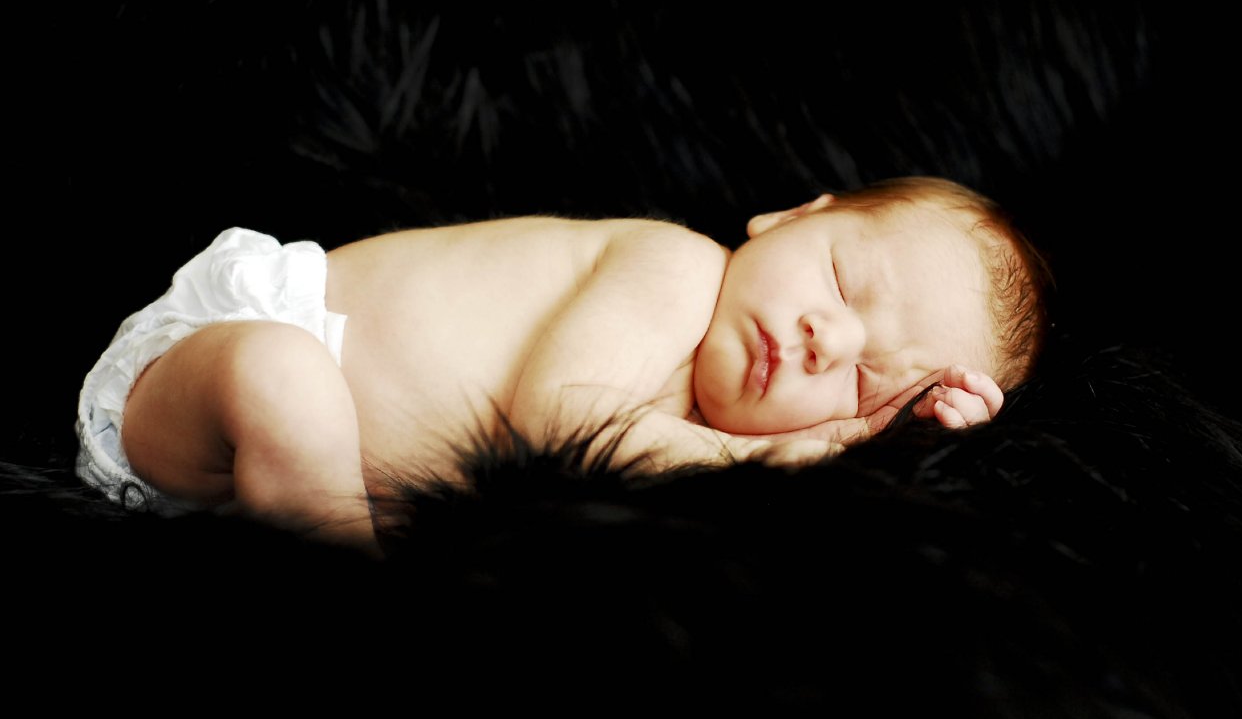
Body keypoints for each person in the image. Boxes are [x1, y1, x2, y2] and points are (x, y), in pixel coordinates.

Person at [75, 176, 1049, 554]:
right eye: (840, 279)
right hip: (204, 381)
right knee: (283, 380)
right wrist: (785, 451)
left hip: (268, 493)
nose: (823, 339)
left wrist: (893, 442)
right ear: (791, 214)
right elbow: (560, 421)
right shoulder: (677, 268)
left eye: (862, 381)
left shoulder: (688, 453)